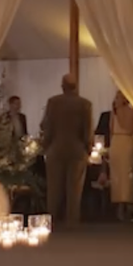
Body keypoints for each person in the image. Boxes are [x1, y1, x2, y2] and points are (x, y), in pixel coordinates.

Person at [39, 73, 93, 229]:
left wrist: (46, 146)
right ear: (76, 87)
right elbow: (88, 129)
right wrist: (88, 148)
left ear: (62, 86)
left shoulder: (53, 102)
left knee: (54, 188)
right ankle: (72, 221)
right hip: (77, 149)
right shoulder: (85, 104)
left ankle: (51, 220)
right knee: (74, 189)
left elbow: (46, 126)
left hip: (55, 149)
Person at [109, 90, 133, 217]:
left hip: (116, 142)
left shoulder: (114, 113)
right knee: (127, 174)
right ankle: (127, 204)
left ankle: (120, 206)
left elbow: (110, 129)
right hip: (127, 142)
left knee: (118, 175)